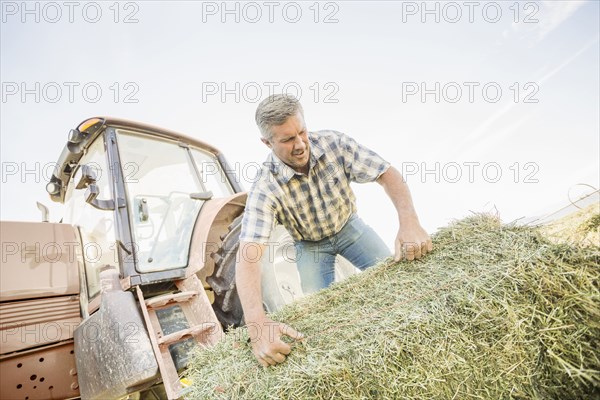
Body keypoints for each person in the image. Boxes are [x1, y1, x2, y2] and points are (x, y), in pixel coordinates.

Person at [235, 94, 432, 367]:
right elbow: (249, 254)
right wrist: (257, 325)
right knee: (319, 317)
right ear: (267, 143)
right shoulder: (265, 187)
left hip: (350, 228)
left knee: (399, 279)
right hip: (310, 246)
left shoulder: (334, 143)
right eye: (287, 139)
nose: (301, 143)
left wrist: (409, 222)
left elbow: (386, 173)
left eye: (301, 131)